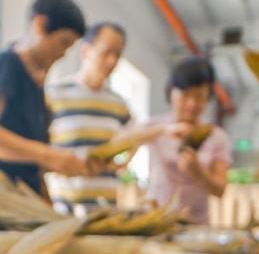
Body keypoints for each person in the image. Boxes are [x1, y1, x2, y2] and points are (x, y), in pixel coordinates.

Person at [0, 0, 105, 195]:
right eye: (63, 42)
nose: (63, 53)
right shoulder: (7, 65)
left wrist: (70, 165)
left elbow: (25, 157)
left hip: (23, 200)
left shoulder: (36, 86)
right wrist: (48, 155)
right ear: (40, 24)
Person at [46, 21, 186, 156]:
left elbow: (134, 136)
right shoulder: (55, 93)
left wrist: (163, 130)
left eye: (117, 55)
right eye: (106, 52)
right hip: (67, 179)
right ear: (86, 51)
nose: (112, 61)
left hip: (109, 180)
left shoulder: (118, 103)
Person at [144, 56, 231, 225]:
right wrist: (162, 130)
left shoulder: (217, 136)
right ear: (171, 92)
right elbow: (120, 140)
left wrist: (199, 172)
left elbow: (221, 190)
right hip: (156, 221)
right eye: (185, 95)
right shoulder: (155, 126)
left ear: (208, 98)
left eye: (199, 97)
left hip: (196, 225)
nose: (191, 104)